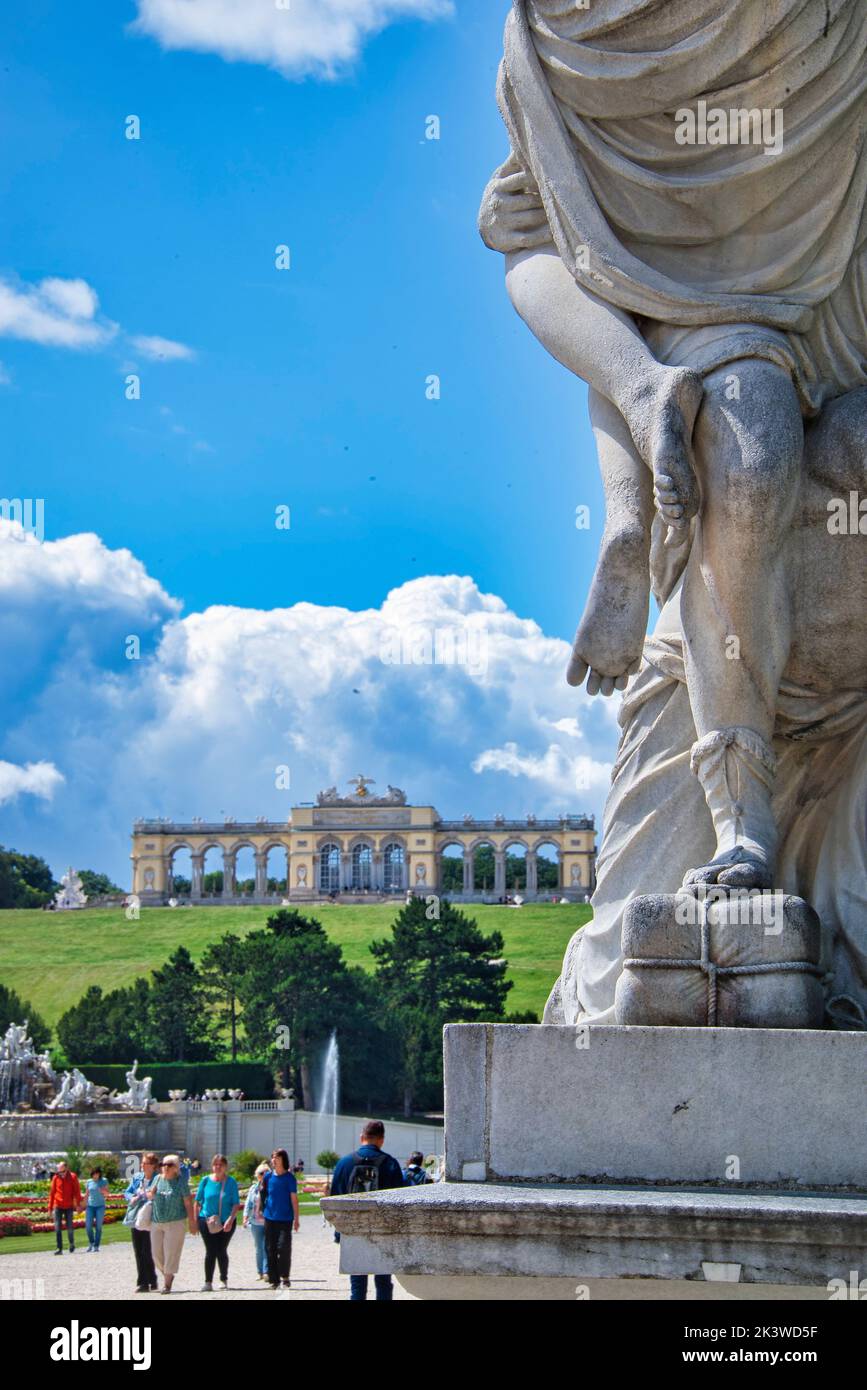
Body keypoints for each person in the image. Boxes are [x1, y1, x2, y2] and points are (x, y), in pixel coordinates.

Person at [329, 1120, 406, 1300]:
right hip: (383, 1232)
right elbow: (400, 1204)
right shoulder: (391, 1164)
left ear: (362, 1137)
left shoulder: (344, 1164)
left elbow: (334, 1200)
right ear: (382, 1140)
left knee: (357, 1286)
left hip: (353, 1232)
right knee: (384, 1283)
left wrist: (339, 1233)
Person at [146, 1153, 196, 1294]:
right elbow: (150, 1195)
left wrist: (192, 1221)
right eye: (163, 1164)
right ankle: (169, 1273)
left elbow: (188, 1203)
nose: (165, 1167)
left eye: (169, 1165)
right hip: (157, 1221)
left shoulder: (181, 1182)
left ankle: (167, 1284)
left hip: (175, 1222)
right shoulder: (157, 1179)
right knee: (156, 1254)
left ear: (176, 1168)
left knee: (171, 1253)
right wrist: (151, 1193)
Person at [194, 1153, 241, 1291]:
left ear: (225, 1166)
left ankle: (223, 1279)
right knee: (210, 1251)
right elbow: (197, 1201)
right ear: (212, 1166)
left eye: (221, 1165)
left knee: (221, 1250)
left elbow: (235, 1204)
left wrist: (230, 1220)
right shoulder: (205, 1181)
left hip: (226, 1220)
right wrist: (196, 1220)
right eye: (215, 1164)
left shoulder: (231, 1182)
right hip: (206, 1220)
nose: (218, 1167)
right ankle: (208, 1282)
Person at [261, 1149, 299, 1290]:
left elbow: (294, 1200)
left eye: (276, 1157)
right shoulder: (268, 1177)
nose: (273, 1160)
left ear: (283, 1159)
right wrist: (261, 1210)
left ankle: (285, 1276)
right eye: (272, 1157)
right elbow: (263, 1194)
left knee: (283, 1247)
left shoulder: (289, 1178)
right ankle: (274, 1279)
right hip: (270, 1218)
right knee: (270, 1248)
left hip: (285, 1219)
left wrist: (296, 1219)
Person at [124, 1152, 159, 1292]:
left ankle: (151, 1279)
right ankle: (144, 1282)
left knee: (147, 1250)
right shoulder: (137, 1177)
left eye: (145, 1163)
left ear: (153, 1166)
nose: (142, 1165)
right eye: (142, 1163)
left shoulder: (158, 1179)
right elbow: (127, 1192)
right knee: (138, 1250)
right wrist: (132, 1196)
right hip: (136, 1217)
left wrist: (146, 1195)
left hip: (150, 1217)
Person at [242, 1162, 270, 1282]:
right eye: (261, 1173)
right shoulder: (254, 1188)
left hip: (269, 1221)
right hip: (256, 1221)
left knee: (267, 1246)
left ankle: (266, 1271)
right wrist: (245, 1217)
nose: (263, 1175)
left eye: (266, 1173)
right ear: (257, 1175)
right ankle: (260, 1271)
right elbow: (248, 1203)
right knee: (259, 1247)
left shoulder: (271, 1187)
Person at [48, 1160, 82, 1256]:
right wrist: (50, 1208)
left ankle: (71, 1243)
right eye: (59, 1172)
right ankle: (59, 1248)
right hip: (58, 1206)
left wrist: (78, 1205)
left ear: (66, 1169)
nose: (61, 1174)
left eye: (63, 1172)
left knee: (70, 1228)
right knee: (57, 1228)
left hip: (69, 1206)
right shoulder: (55, 1178)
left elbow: (77, 1192)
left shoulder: (73, 1177)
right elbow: (52, 1193)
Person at [84, 1166, 108, 1251]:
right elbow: (87, 1194)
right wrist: (83, 1204)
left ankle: (96, 1246)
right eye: (94, 1174)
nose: (96, 1175)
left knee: (98, 1227)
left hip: (100, 1206)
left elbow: (107, 1194)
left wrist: (102, 1190)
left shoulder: (104, 1181)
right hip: (90, 1206)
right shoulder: (89, 1182)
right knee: (88, 1226)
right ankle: (91, 1242)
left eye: (97, 1174)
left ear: (99, 1174)